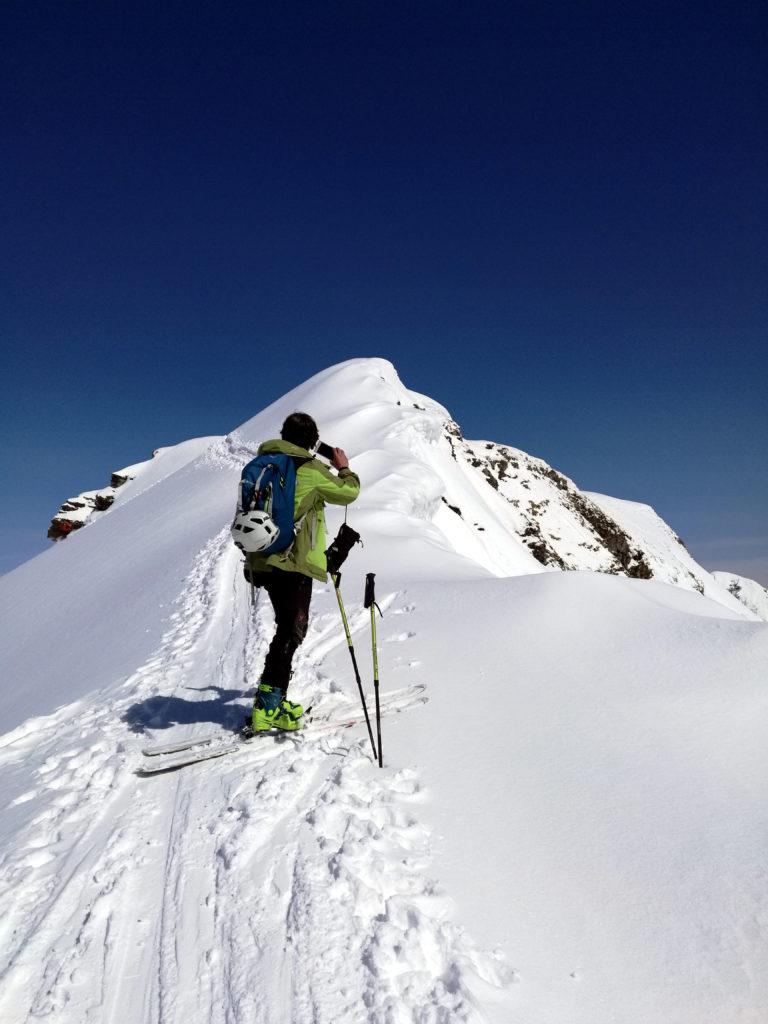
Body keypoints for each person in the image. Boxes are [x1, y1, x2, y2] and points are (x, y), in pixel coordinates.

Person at [244, 412, 360, 731]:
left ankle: (271, 698)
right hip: (292, 562)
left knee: (286, 628)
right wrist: (343, 466)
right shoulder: (309, 469)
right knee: (291, 631)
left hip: (260, 560)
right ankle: (269, 707)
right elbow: (349, 492)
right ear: (312, 442)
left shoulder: (262, 465)